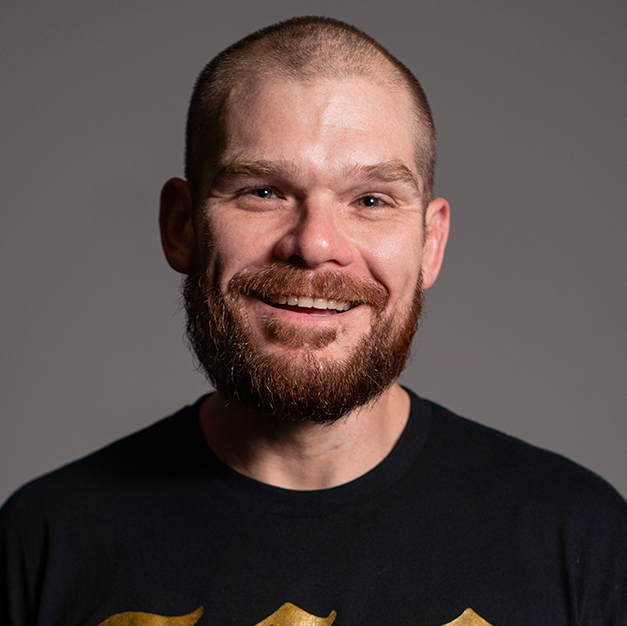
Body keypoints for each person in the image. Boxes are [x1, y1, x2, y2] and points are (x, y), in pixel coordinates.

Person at [1, 16, 626, 626]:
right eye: (263, 191)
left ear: (430, 243)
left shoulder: (580, 539)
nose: (315, 244)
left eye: (371, 200)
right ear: (182, 226)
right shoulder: (44, 542)